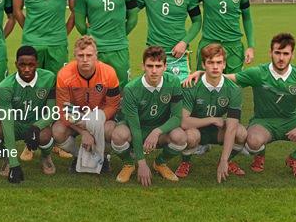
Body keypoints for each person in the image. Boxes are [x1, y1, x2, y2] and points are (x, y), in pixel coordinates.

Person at [186, 33, 296, 178]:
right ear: (270, 53)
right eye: (277, 53)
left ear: (292, 55)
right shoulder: (258, 73)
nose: (281, 58)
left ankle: (294, 158)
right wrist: (202, 72)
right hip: (263, 122)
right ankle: (259, 155)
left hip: (290, 120)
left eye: (286, 53)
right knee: (252, 142)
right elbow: (229, 77)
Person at [111, 46, 187, 186]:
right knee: (118, 135)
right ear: (143, 66)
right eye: (150, 66)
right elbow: (135, 127)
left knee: (180, 137)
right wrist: (141, 163)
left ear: (165, 66)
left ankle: (160, 163)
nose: (154, 70)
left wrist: (157, 131)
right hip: (135, 128)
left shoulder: (173, 82)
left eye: (158, 66)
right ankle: (129, 164)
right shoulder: (131, 89)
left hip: (159, 129)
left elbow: (177, 117)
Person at [0, 46, 57, 183]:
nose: (27, 69)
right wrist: (14, 163)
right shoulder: (5, 86)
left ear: (37, 64)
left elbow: (53, 111)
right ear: (16, 64)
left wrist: (36, 126)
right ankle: (6, 159)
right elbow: (7, 121)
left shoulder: (49, 78)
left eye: (31, 65)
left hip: (36, 123)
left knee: (46, 136)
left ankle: (46, 157)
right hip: (14, 124)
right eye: (22, 65)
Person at [176, 44, 247, 183]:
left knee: (241, 133)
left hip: (217, 131)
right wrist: (212, 119)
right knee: (190, 137)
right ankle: (185, 162)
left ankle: (228, 161)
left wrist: (223, 160)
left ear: (224, 64)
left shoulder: (234, 90)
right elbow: (184, 122)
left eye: (219, 62)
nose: (215, 67)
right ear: (203, 64)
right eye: (210, 62)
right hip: (195, 129)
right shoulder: (191, 85)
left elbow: (232, 126)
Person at [52, 35, 121, 173]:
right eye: (81, 55)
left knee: (111, 131)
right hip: (76, 115)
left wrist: (93, 121)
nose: (85, 59)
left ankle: (102, 156)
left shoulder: (109, 73)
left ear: (96, 55)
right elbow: (63, 109)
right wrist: (84, 132)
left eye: (89, 55)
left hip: (99, 114)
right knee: (58, 131)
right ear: (74, 56)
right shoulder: (64, 75)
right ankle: (79, 156)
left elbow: (113, 105)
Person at [74, 0, 138, 88]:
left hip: (119, 47)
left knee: (122, 88)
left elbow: (133, 19)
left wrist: (120, 34)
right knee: (94, 87)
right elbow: (79, 23)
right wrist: (91, 37)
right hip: (96, 49)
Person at [136, 0, 201, 81]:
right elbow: (128, 12)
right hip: (154, 52)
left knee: (181, 93)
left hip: (179, 53)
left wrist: (184, 42)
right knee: (154, 92)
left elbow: (197, 22)